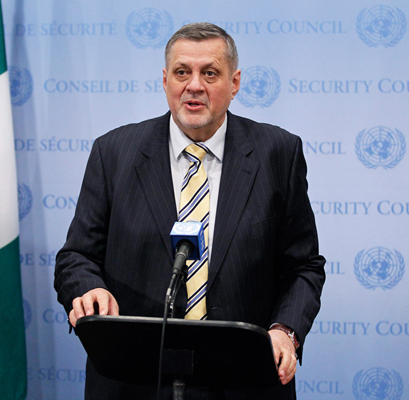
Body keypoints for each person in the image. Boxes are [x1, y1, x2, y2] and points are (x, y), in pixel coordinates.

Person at [54, 22, 326, 400]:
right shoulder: (114, 152)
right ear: (166, 80)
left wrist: (286, 331)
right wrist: (88, 289)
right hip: (133, 379)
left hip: (244, 379)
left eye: (210, 73)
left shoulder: (277, 152)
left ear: (234, 83)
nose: (194, 85)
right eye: (182, 72)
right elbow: (76, 257)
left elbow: (303, 266)